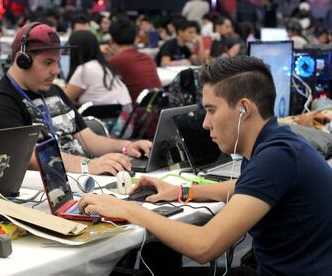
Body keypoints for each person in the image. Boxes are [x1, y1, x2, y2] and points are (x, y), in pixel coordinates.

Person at [79, 56, 332, 275]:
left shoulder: (277, 157)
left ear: (244, 109)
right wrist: (180, 192)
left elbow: (204, 247)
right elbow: (245, 187)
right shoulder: (273, 142)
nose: (205, 123)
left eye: (211, 110)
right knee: (161, 261)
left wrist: (128, 209)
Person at [0, 22, 151, 176]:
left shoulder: (54, 91)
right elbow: (27, 159)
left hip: (79, 180)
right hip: (39, 195)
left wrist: (127, 147)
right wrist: (87, 165)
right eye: (48, 62)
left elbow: (89, 140)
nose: (56, 70)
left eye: (57, 62)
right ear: (22, 60)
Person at [65, 30, 131, 108]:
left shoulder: (84, 69)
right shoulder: (105, 66)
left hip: (107, 117)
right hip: (125, 115)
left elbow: (65, 99)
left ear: (75, 50)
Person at [108, 18, 162, 103]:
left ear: (111, 40)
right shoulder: (147, 58)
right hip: (156, 110)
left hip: (135, 113)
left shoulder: (115, 61)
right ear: (135, 39)